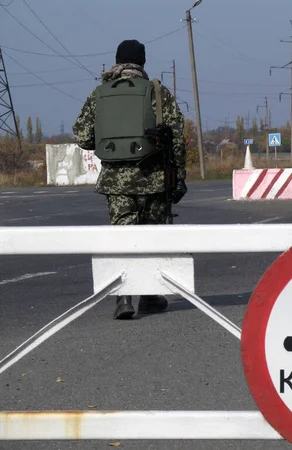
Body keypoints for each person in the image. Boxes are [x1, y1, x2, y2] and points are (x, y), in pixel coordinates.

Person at [73, 39, 187, 320]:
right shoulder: (157, 92)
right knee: (151, 238)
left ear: (117, 60)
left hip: (116, 181)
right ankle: (149, 295)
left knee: (122, 237)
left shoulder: (100, 93)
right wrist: (180, 176)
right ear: (143, 62)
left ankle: (123, 297)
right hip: (154, 179)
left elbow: (83, 136)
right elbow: (176, 137)